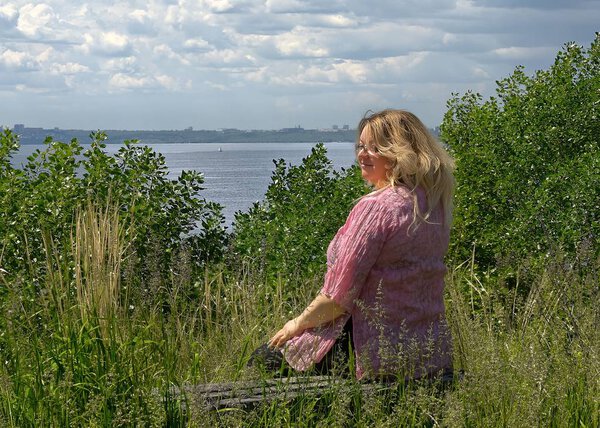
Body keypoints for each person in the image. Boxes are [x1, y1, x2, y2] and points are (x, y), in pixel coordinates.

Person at [251, 109, 456, 381]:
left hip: (372, 350)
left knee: (262, 359)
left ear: (400, 152)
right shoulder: (432, 205)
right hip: (427, 350)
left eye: (376, 147)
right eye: (361, 146)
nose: (363, 154)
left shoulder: (377, 207)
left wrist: (295, 325)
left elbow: (337, 298)